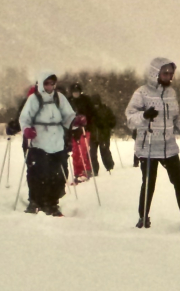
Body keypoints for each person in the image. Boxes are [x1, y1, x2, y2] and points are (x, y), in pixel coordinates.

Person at [124, 57, 180, 232]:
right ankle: (143, 217)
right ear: (155, 74)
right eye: (165, 73)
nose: (168, 76)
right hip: (149, 146)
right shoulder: (141, 93)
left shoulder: (171, 93)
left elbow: (176, 119)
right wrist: (144, 115)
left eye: (170, 73)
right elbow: (130, 117)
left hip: (169, 146)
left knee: (179, 182)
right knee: (148, 183)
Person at [17, 70, 76, 216]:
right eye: (47, 83)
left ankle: (52, 202)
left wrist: (76, 121)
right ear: (41, 84)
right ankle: (35, 201)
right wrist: (27, 129)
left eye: (52, 83)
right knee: (38, 173)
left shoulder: (59, 98)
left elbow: (68, 116)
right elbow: (24, 118)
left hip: (57, 141)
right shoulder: (33, 99)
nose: (50, 86)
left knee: (57, 174)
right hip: (39, 142)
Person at [70, 82, 117, 174]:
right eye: (94, 103)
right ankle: (94, 170)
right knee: (92, 154)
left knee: (105, 152)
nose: (95, 105)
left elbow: (112, 119)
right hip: (92, 135)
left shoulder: (105, 109)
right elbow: (87, 120)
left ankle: (109, 167)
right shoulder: (90, 110)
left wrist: (109, 124)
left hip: (104, 134)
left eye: (97, 102)